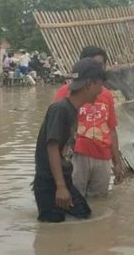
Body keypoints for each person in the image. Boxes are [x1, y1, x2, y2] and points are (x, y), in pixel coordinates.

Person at [33, 58, 106, 222]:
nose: (101, 91)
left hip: (63, 180)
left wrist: (65, 185)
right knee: (52, 230)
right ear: (89, 85)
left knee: (84, 215)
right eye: (100, 85)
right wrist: (60, 187)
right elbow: (52, 148)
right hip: (49, 184)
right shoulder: (60, 109)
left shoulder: (73, 110)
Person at [53, 46, 125, 198]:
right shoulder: (65, 93)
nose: (97, 69)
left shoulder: (106, 95)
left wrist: (117, 162)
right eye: (93, 65)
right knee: (73, 199)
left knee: (99, 203)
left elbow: (111, 129)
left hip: (103, 156)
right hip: (76, 156)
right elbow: (54, 134)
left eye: (100, 65)